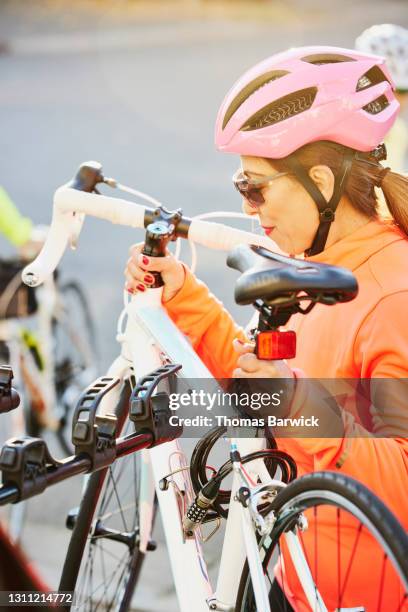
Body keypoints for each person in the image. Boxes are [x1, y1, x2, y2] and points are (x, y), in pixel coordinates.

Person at [124, 46, 408, 610]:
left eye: (256, 187)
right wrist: (182, 295)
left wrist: (297, 403)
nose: (251, 209)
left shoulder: (392, 296)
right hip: (293, 571)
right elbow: (265, 388)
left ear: (321, 180)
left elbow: (399, 483)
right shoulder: (320, 265)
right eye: (241, 189)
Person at [356, 24, 408, 173]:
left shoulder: (399, 133)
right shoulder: (342, 127)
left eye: (404, 91)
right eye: (387, 89)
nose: (395, 98)